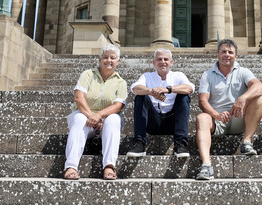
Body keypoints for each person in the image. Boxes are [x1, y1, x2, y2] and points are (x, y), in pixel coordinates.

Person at [195, 39, 262, 180]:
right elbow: (202, 101)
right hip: (217, 122)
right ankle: (206, 166)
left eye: (230, 52)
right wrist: (217, 115)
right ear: (217, 55)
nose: (227, 54)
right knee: (201, 117)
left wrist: (243, 98)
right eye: (223, 52)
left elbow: (259, 86)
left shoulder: (243, 71)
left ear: (236, 56)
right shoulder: (207, 75)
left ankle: (247, 142)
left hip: (239, 118)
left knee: (257, 97)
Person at [63, 43, 127, 180]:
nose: (108, 60)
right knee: (79, 118)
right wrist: (91, 116)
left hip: (105, 123)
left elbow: (118, 106)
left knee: (114, 118)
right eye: (105, 57)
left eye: (112, 58)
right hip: (84, 117)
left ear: (118, 61)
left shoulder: (121, 82)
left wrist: (98, 116)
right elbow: (79, 97)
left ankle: (109, 166)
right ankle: (71, 166)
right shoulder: (88, 74)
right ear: (99, 60)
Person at [126, 48, 195, 157]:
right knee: (141, 97)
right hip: (153, 122)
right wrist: (151, 91)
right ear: (154, 62)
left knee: (184, 96)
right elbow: (135, 88)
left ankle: (180, 144)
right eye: (159, 59)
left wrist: (168, 89)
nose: (163, 62)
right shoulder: (147, 76)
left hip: (173, 122)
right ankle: (139, 143)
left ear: (171, 63)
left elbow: (189, 88)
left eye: (166, 59)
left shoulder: (179, 75)